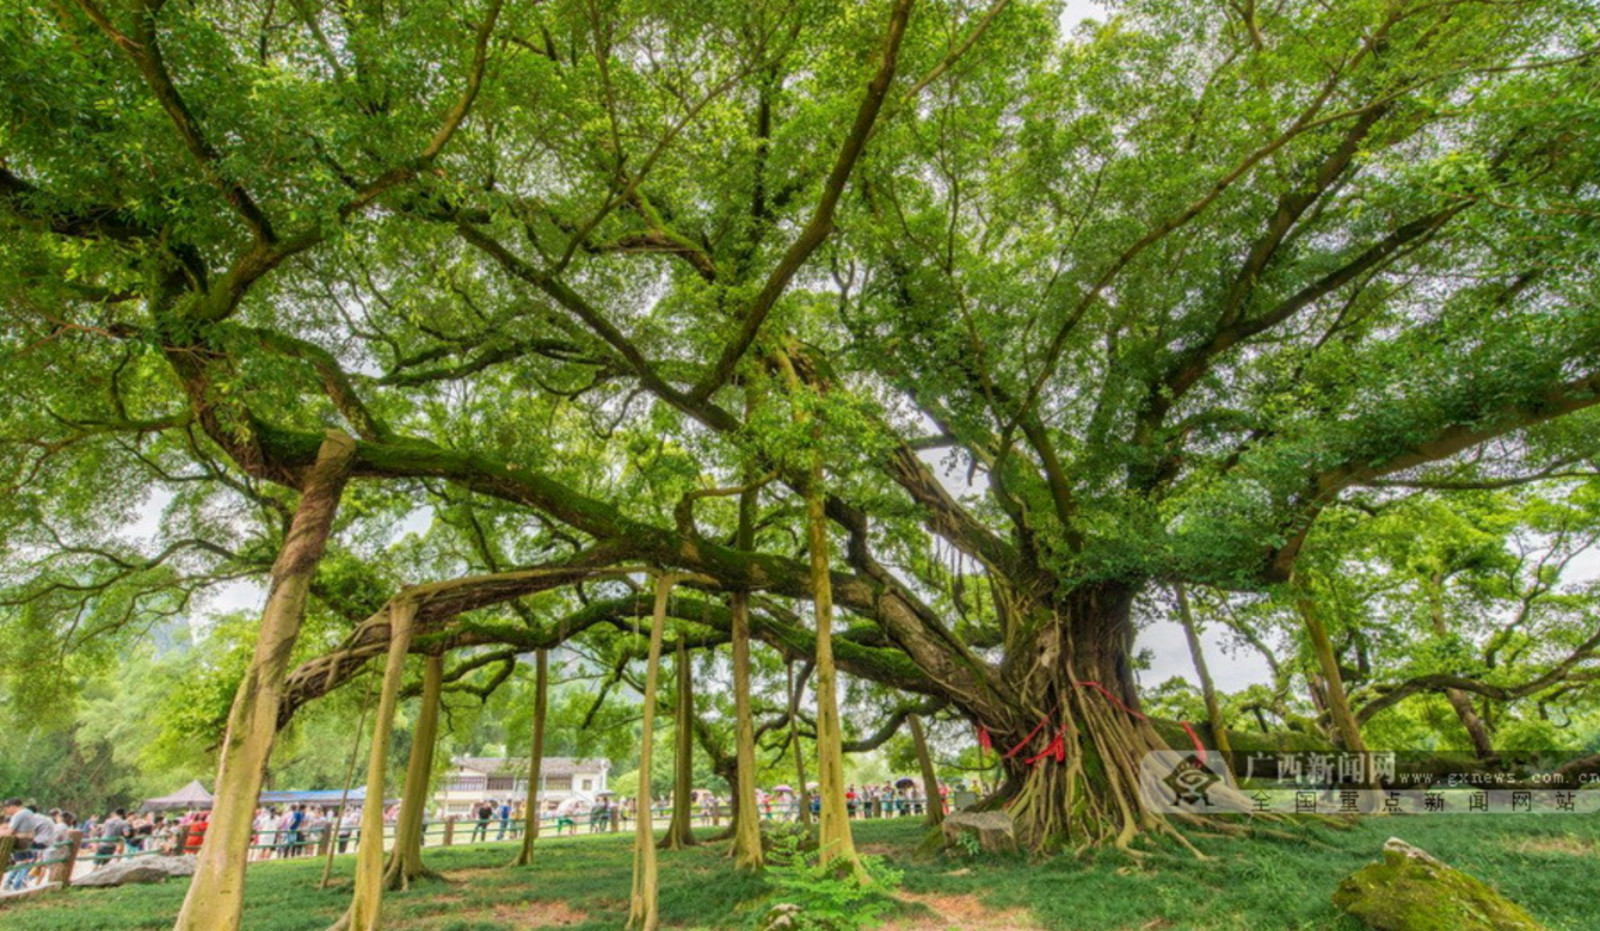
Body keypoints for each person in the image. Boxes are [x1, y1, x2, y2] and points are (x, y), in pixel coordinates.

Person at [2, 798, 56, 891]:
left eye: (7, 808)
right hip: (38, 842)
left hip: (29, 842)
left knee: (22, 862)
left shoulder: (19, 815)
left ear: (13, 806)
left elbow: (9, 832)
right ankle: (16, 883)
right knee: (27, 862)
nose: (6, 810)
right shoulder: (29, 814)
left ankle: (15, 883)